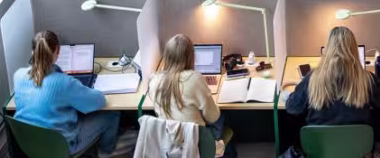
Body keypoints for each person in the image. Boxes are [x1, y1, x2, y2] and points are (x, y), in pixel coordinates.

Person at [12, 30, 124, 158]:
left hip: (28, 145)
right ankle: (107, 153)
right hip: (60, 147)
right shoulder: (64, 82)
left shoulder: (18, 76)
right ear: (58, 51)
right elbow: (100, 101)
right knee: (112, 114)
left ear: (32, 52)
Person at [286, 26, 380, 126]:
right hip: (357, 147)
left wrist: (300, 87)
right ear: (354, 51)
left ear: (328, 50)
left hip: (320, 148)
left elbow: (292, 107)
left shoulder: (311, 79)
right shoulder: (367, 80)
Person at [148, 34, 236, 156]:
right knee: (223, 114)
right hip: (197, 146)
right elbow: (213, 117)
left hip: (171, 146)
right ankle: (225, 151)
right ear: (191, 56)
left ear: (166, 57)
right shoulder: (194, 78)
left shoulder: (154, 81)